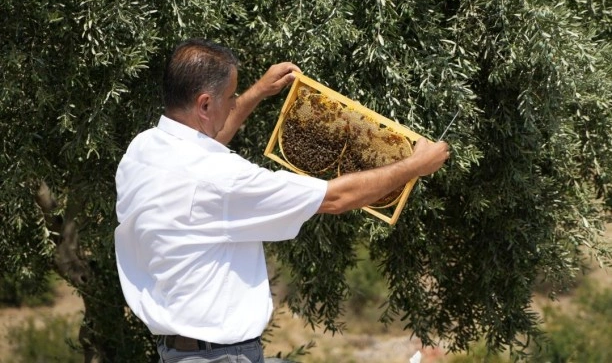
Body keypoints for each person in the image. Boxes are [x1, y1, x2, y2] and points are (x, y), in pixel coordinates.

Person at [114, 38, 449, 363]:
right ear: (204, 103)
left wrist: (257, 92)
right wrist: (415, 165)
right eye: (231, 97)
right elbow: (336, 197)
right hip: (221, 357)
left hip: (179, 353)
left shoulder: (143, 150)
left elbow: (204, 144)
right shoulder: (222, 178)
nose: (233, 103)